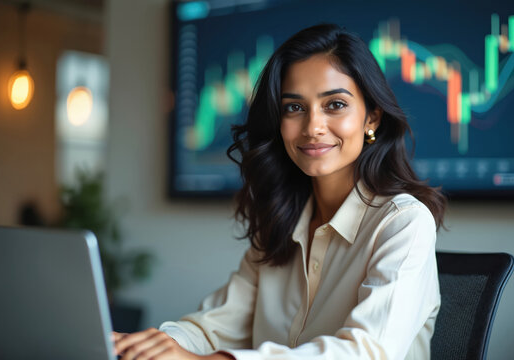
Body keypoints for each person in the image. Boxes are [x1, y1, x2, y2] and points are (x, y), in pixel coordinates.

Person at [113, 23, 446, 360]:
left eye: (335, 105)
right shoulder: (283, 220)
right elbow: (213, 326)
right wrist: (147, 347)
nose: (313, 127)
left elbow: (365, 352)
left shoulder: (404, 223)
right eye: (295, 108)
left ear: (371, 119)